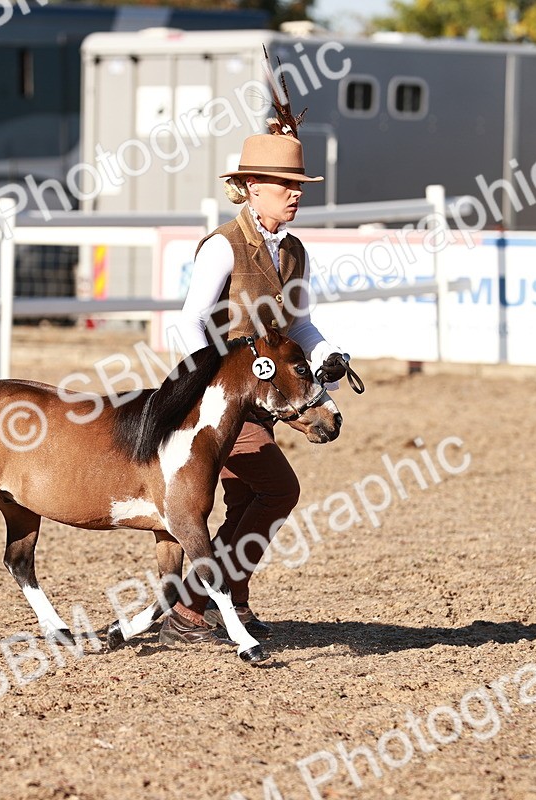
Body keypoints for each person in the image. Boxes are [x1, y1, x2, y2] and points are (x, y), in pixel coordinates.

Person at [159, 128, 353, 646]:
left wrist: (326, 354)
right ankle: (190, 606)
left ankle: (228, 601)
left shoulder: (293, 252)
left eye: (298, 184)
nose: (295, 192)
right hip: (221, 400)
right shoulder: (223, 246)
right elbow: (190, 320)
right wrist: (211, 381)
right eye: (282, 182)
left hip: (266, 398)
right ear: (249, 186)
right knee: (278, 489)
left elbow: (301, 324)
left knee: (247, 496)